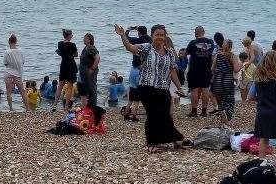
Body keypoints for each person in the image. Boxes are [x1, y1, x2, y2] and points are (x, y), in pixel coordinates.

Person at [115, 24, 186, 153]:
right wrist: (123, 36)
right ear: (152, 36)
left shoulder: (169, 52)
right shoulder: (146, 48)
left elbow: (172, 71)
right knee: (153, 115)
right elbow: (129, 47)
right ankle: (151, 143)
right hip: (146, 88)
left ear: (165, 36)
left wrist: (180, 87)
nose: (159, 37)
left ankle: (176, 139)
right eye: (157, 35)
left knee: (165, 115)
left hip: (163, 88)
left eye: (161, 35)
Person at [248, 51, 276, 173]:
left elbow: (250, 97)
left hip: (262, 112)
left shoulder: (257, 80)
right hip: (275, 112)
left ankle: (261, 162)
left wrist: (262, 99)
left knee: (263, 138)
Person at [186, 26, 215, 117]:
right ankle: (204, 111)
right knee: (205, 89)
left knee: (194, 89)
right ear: (204, 32)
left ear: (196, 33)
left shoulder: (193, 43)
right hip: (207, 69)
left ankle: (194, 111)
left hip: (194, 69)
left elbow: (187, 53)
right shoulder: (211, 42)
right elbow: (211, 52)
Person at [210, 40, 241, 124]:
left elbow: (212, 69)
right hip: (227, 80)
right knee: (229, 100)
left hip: (218, 80)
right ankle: (227, 118)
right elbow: (236, 69)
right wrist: (241, 64)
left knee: (220, 100)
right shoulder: (232, 56)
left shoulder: (218, 55)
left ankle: (222, 116)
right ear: (231, 47)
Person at [52, 29, 78, 112]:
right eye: (71, 35)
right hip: (71, 66)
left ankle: (54, 105)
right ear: (69, 35)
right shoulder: (73, 45)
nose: (72, 36)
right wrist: (71, 54)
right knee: (70, 87)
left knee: (60, 86)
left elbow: (60, 53)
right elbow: (76, 55)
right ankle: (66, 107)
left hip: (63, 65)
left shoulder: (60, 44)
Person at [3, 34, 28, 111]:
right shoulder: (21, 51)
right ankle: (27, 108)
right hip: (18, 74)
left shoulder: (7, 52)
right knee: (22, 92)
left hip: (8, 73)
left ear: (9, 42)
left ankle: (11, 108)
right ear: (16, 41)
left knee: (9, 92)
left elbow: (5, 63)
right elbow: (23, 62)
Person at [78, 33, 100, 107]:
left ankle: (93, 106)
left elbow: (97, 58)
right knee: (85, 88)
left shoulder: (91, 48)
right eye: (84, 38)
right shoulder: (85, 48)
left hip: (90, 73)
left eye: (86, 38)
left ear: (90, 40)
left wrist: (92, 68)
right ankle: (87, 105)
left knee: (91, 89)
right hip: (84, 73)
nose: (84, 39)